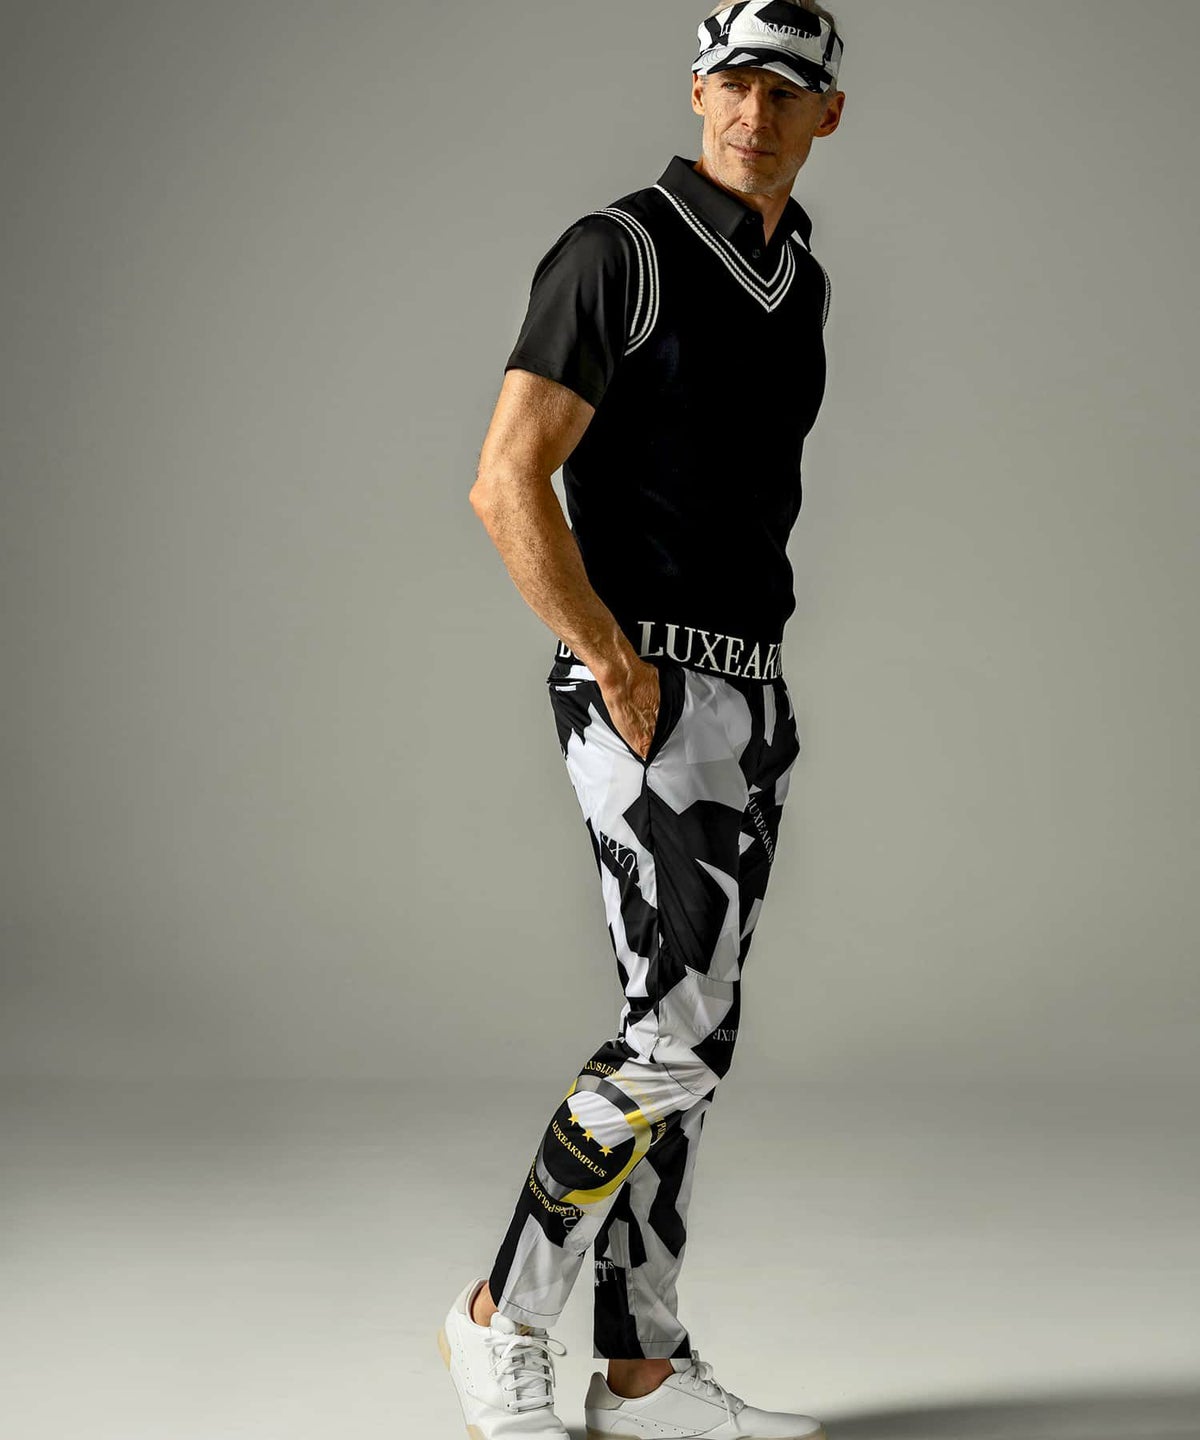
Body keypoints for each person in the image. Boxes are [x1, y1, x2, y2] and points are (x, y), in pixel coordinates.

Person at [439, 2, 845, 1435]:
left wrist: (750, 699)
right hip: (647, 682)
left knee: (690, 1046)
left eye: (785, 91)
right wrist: (616, 666)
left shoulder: (801, 282)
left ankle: (642, 1370)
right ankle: (500, 1316)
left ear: (827, 115)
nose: (754, 112)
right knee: (673, 1035)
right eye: (733, 82)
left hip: (751, 687)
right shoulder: (619, 251)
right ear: (696, 91)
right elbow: (507, 479)